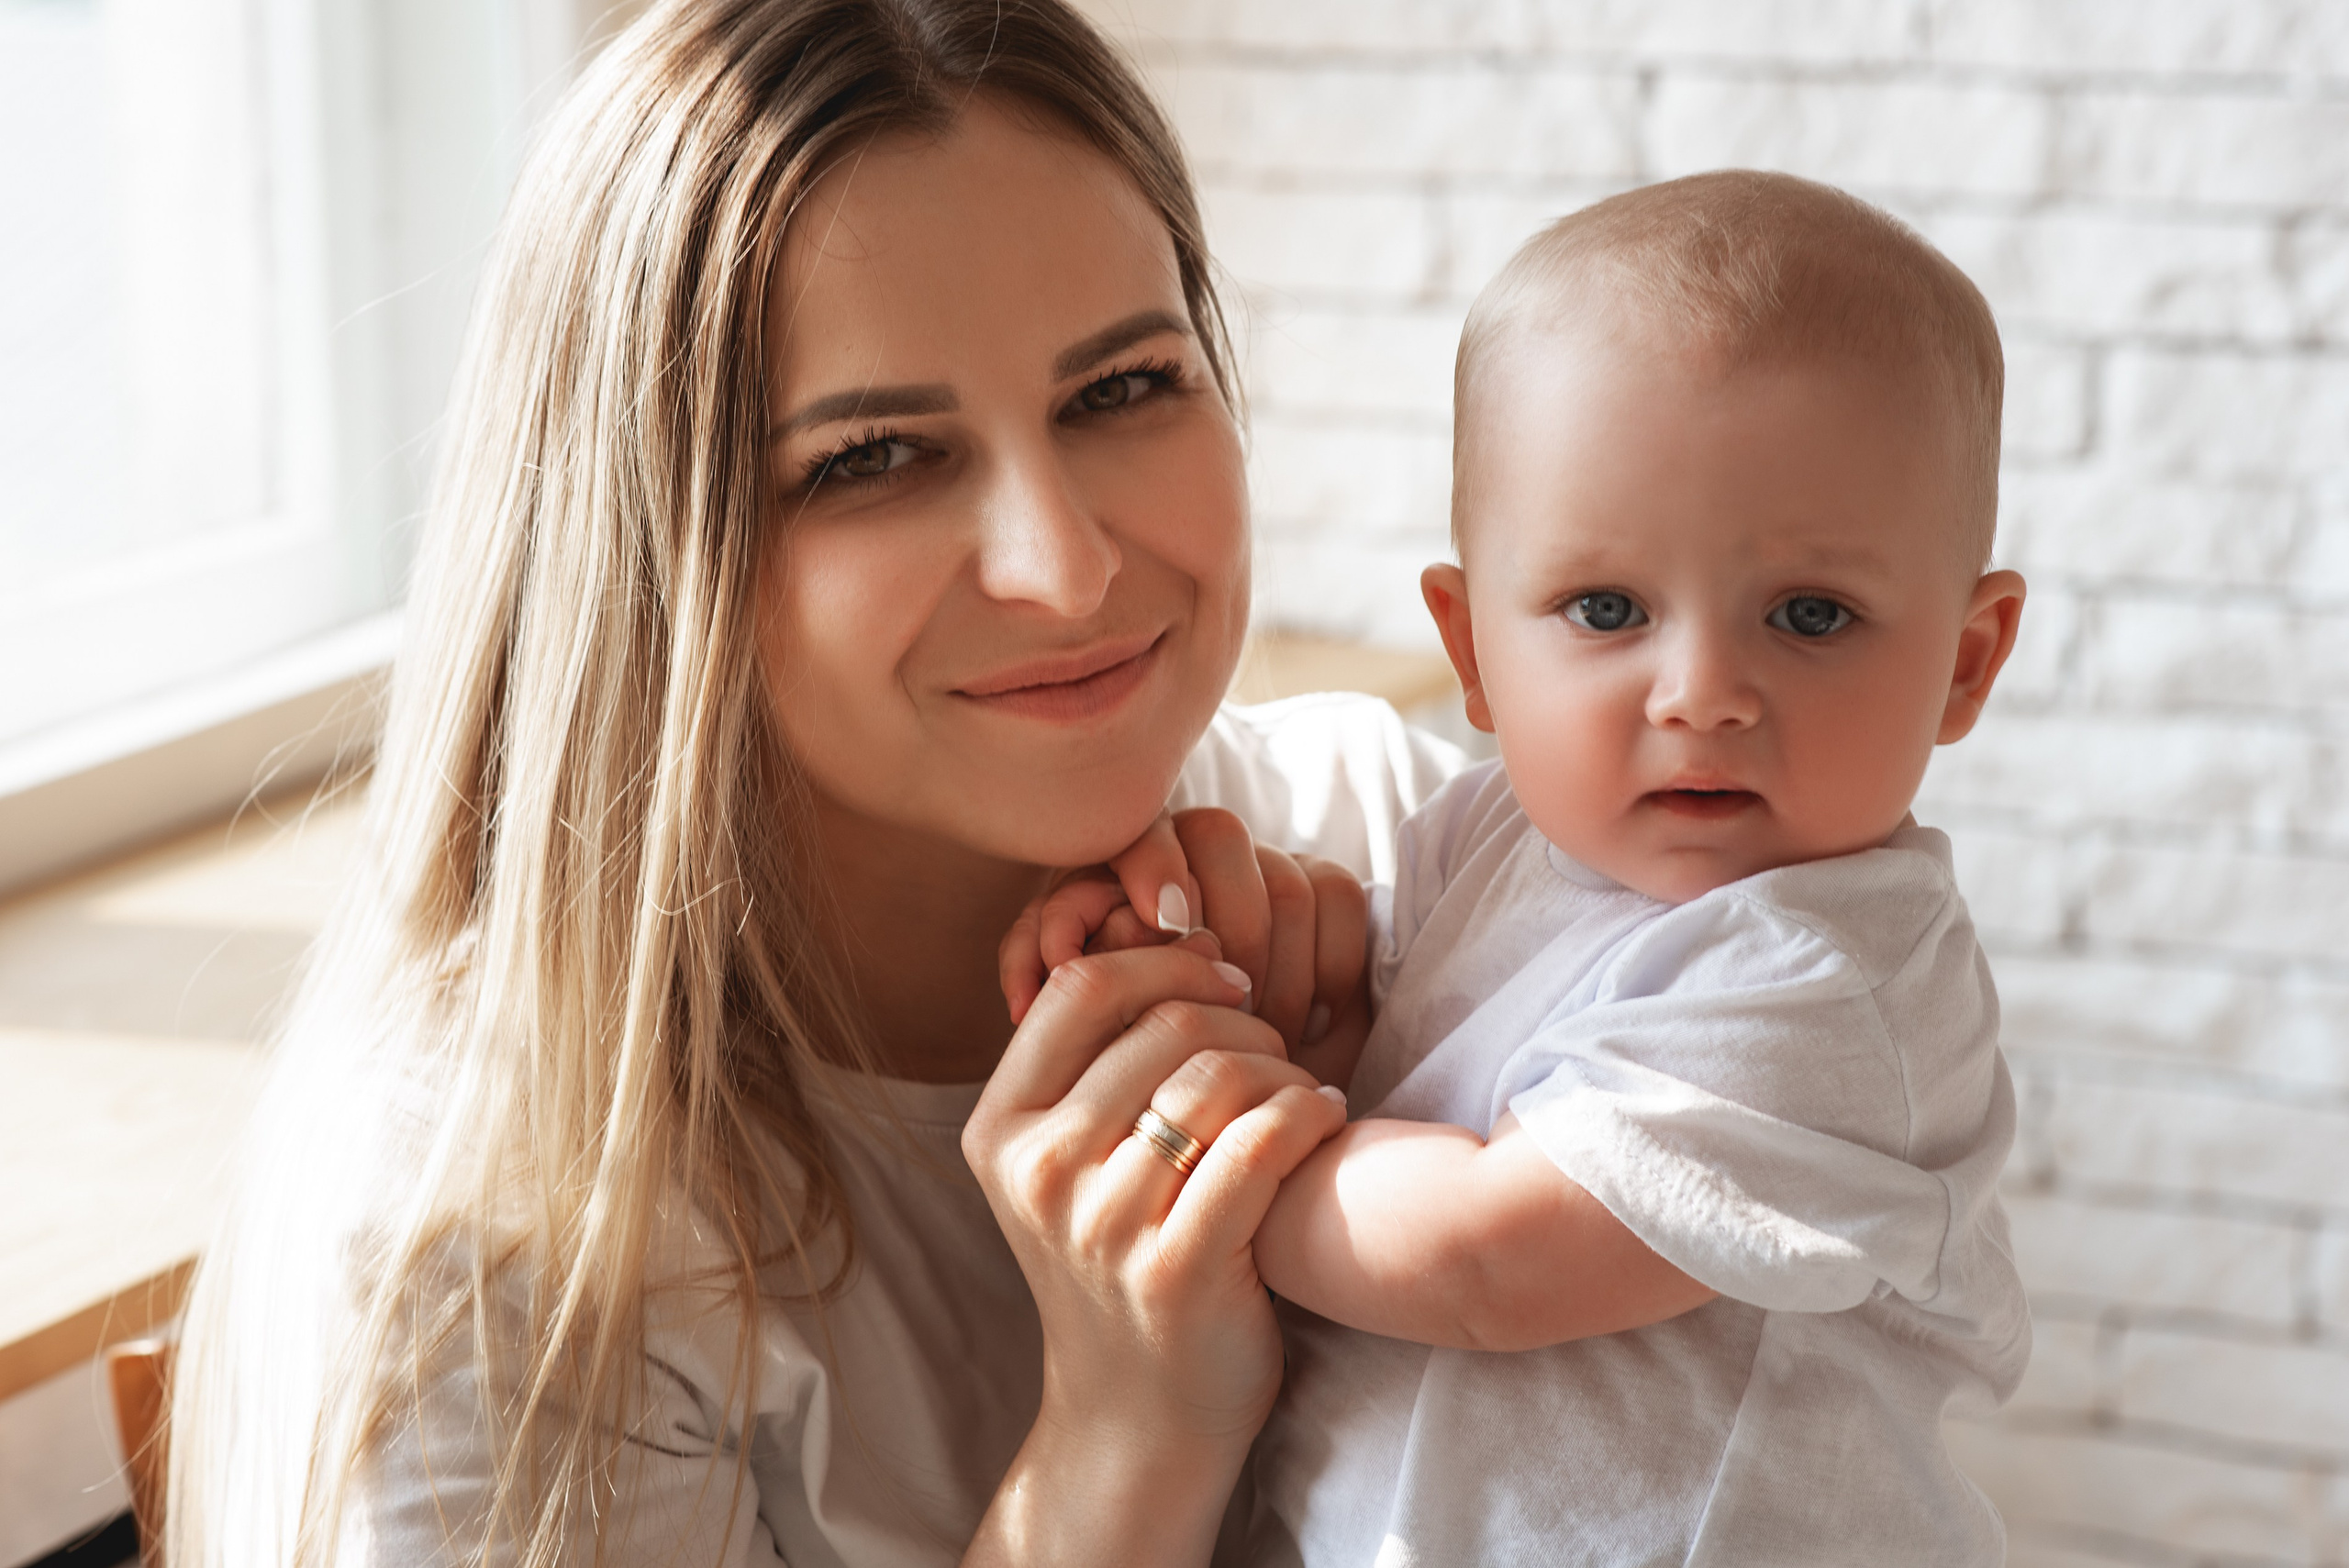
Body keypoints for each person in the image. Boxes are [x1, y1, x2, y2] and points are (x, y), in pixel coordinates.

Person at [161, 4, 1462, 1564]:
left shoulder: (1404, 837)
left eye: (1120, 388)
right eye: (872, 459)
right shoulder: (483, 1232)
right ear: (649, 557)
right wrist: (1129, 1431)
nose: (1063, 568)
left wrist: (1387, 1179)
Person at [1010, 171, 2034, 1565]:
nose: (1702, 691)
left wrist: (1201, 1162)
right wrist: (1185, 956)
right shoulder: (1484, 836)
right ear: (1475, 650)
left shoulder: (1837, 971)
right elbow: (1378, 1057)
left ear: (1965, 662)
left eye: (1810, 615)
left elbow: (1489, 1256)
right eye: (1606, 608)